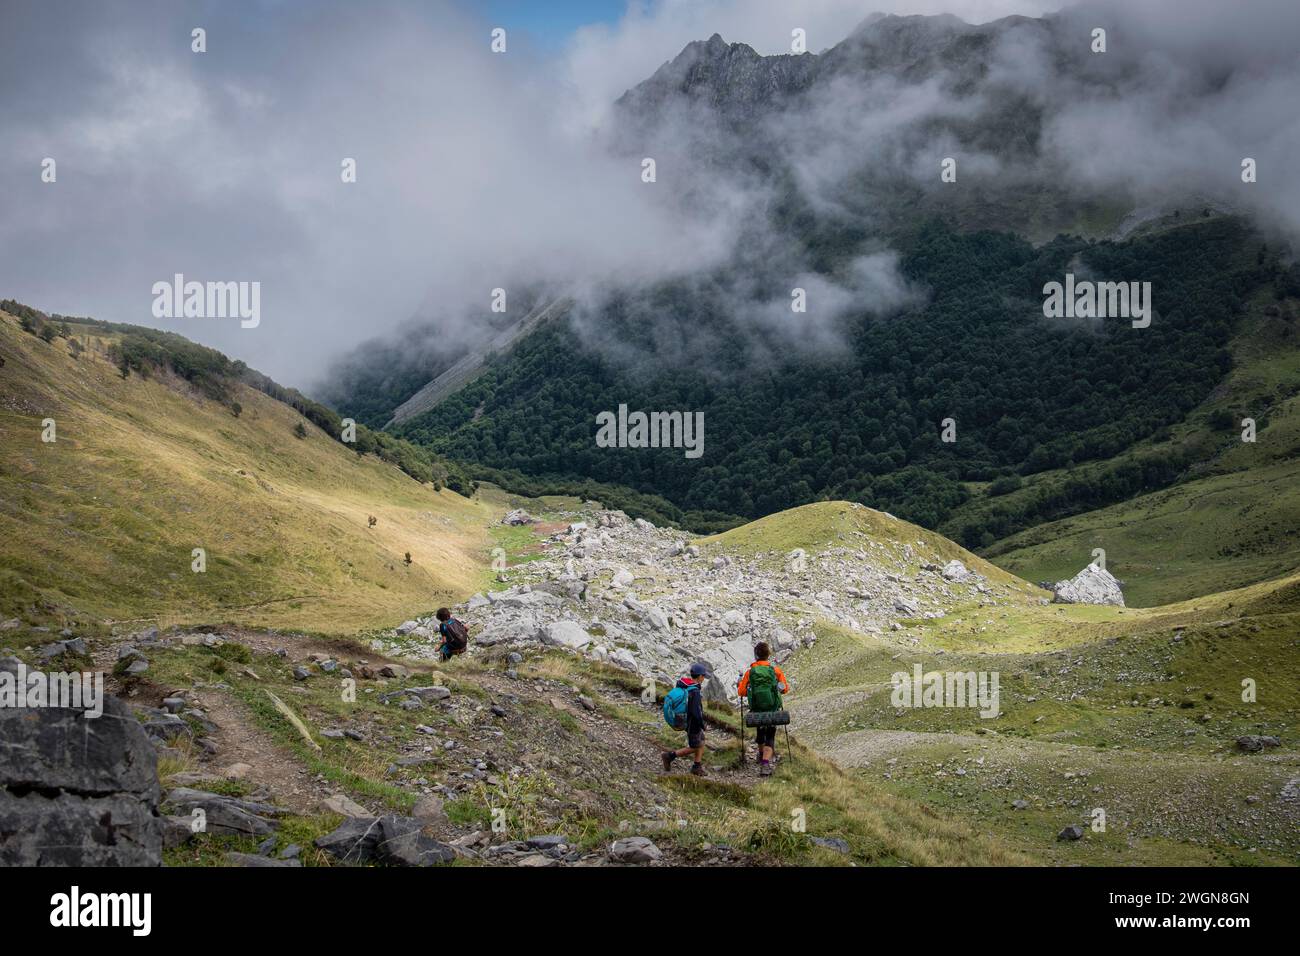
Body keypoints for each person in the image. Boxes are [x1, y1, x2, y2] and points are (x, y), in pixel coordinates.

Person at [737, 642, 789, 776]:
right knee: (770, 736)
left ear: (756, 656)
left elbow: (741, 692)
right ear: (768, 655)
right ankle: (765, 764)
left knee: (760, 732)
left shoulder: (750, 672)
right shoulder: (775, 671)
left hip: (757, 709)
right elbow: (785, 689)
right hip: (772, 709)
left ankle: (761, 755)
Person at [661, 662, 710, 777]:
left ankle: (697, 766)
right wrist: (702, 724)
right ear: (699, 677)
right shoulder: (695, 691)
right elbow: (695, 711)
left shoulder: (686, 686)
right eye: (703, 676)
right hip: (692, 723)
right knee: (695, 746)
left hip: (685, 719)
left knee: (701, 740)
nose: (704, 678)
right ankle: (669, 756)